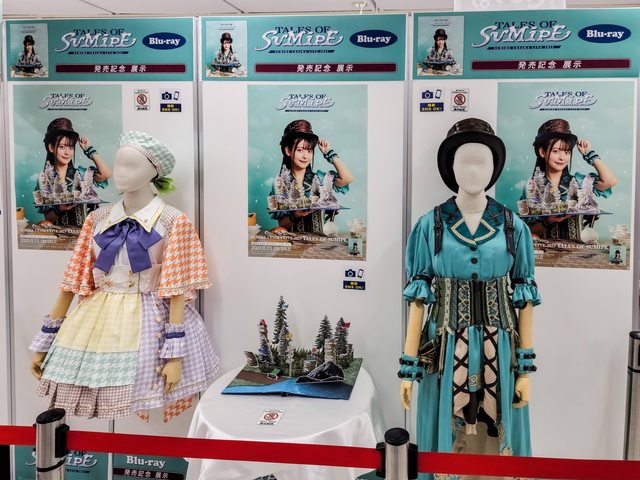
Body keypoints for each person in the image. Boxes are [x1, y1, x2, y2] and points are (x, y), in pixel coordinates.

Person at [29, 131, 220, 421]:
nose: (119, 172)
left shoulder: (172, 220)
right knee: (99, 385)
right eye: (118, 164)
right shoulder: (97, 218)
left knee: (144, 385)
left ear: (153, 172)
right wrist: (45, 341)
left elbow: (176, 288)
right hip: (98, 320)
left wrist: (174, 355)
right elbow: (74, 281)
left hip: (152, 320)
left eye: (131, 166)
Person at [400, 119, 540, 478]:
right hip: (445, 347)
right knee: (446, 434)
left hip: (501, 348)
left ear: (495, 169)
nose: (474, 170)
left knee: (500, 429)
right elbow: (418, 299)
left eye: (483, 162)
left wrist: (525, 370)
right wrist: (408, 367)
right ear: (451, 167)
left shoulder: (513, 226)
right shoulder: (430, 225)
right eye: (465, 161)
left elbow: (524, 298)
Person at [524, 118, 617, 241]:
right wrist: (548, 221)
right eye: (556, 151)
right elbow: (528, 230)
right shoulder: (532, 187)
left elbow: (610, 181)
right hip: (547, 249)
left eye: (567, 152)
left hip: (578, 248)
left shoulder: (579, 182)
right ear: (542, 152)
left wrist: (588, 153)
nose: (562, 157)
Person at [271, 119, 354, 233]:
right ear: (288, 151)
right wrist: (295, 215)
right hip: (293, 241)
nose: (305, 156)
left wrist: (328, 152)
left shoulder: (320, 179)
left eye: (309, 151)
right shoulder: (280, 184)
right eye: (300, 150)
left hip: (321, 240)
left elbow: (347, 178)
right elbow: (282, 225)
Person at [35, 118, 112, 226]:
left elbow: (106, 174)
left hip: (84, 232)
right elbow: (48, 218)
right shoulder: (44, 179)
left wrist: (88, 149)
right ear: (51, 147)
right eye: (62, 147)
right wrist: (60, 209)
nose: (67, 152)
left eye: (71, 147)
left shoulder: (81, 174)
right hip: (59, 234)